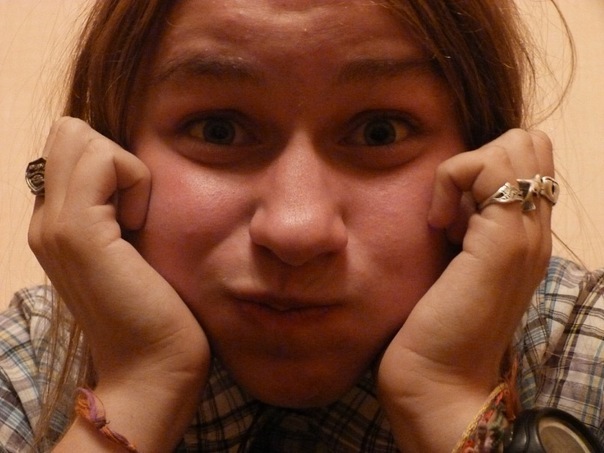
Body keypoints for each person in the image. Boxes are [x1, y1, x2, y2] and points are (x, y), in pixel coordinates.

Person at [1, 0, 603, 451]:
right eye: (218, 130)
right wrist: (139, 387)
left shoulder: (583, 344)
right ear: (107, 154)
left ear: (484, 151)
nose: (296, 230)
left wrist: (445, 398)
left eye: (380, 132)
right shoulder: (28, 361)